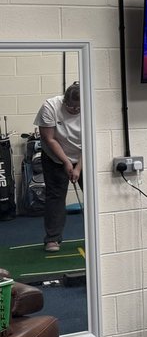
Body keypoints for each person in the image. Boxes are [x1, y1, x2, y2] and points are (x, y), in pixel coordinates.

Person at [36, 81, 83, 253]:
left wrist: (78, 167)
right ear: (64, 100)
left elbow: (91, 141)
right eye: (71, 107)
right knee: (55, 196)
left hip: (84, 155)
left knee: (95, 195)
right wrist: (66, 162)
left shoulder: (91, 107)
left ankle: (99, 236)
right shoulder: (50, 106)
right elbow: (49, 138)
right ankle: (52, 239)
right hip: (54, 157)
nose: (74, 110)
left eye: (78, 108)